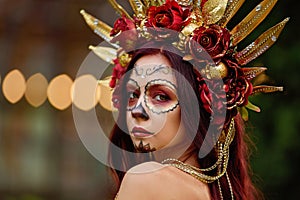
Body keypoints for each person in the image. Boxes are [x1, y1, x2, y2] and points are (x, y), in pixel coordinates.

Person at [80, 0, 288, 199]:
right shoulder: (209, 190)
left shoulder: (146, 179)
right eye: (132, 95)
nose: (137, 110)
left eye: (161, 96)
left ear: (199, 107)